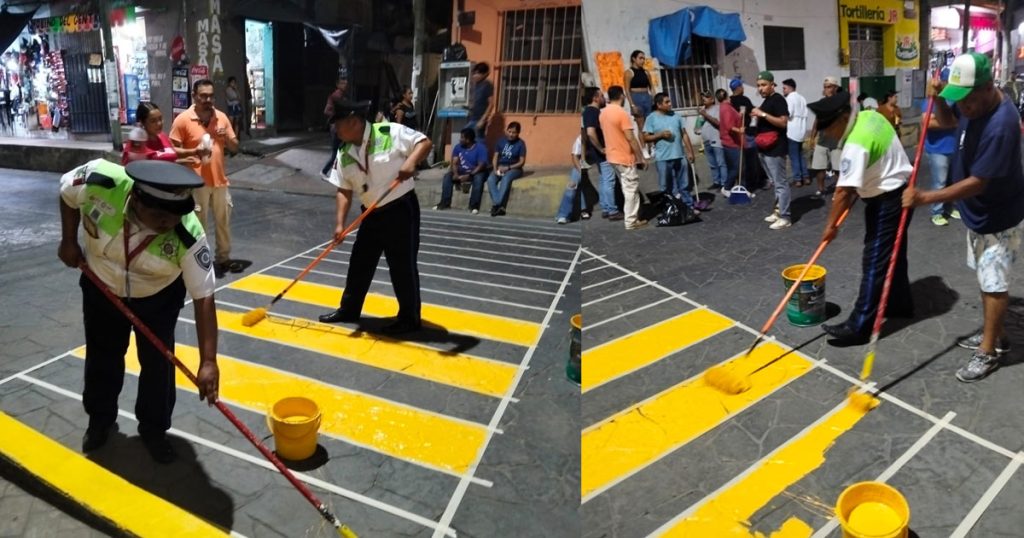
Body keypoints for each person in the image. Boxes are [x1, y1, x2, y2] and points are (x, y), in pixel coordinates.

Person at [58, 159, 220, 463]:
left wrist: (208, 361)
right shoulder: (100, 182)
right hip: (102, 286)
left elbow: (204, 298)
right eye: (158, 215)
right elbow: (67, 194)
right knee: (102, 356)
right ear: (135, 198)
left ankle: (154, 429)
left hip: (157, 296)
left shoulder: (188, 234)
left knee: (158, 365)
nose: (166, 224)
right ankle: (100, 420)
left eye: (174, 216)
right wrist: (68, 240)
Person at [902, 52, 1024, 382]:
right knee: (986, 282)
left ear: (987, 88)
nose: (964, 106)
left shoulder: (1002, 124)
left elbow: (978, 183)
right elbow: (952, 120)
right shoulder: (973, 102)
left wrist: (927, 197)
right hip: (978, 213)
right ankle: (994, 334)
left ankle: (989, 352)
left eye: (967, 100)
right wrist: (940, 97)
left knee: (995, 285)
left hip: (997, 217)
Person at [318, 98, 433, 335]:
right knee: (360, 263)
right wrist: (340, 224)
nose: (334, 129)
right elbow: (344, 189)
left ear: (353, 121)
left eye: (337, 123)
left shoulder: (388, 132)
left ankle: (409, 319)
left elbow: (424, 142)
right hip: (370, 214)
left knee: (402, 266)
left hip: (400, 209)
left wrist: (411, 161)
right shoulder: (344, 152)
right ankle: (349, 309)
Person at [819, 102, 915, 345]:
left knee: (874, 260)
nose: (828, 135)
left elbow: (843, 192)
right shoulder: (870, 116)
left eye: (829, 129)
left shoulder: (855, 144)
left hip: (886, 201)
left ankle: (859, 326)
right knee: (895, 255)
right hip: (902, 190)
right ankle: (899, 304)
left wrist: (831, 227)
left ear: (842, 119)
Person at [169, 78, 240, 278]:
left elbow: (235, 147)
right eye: (203, 96)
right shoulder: (183, 120)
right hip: (195, 182)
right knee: (197, 224)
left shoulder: (222, 118)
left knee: (223, 222)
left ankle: (223, 258)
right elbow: (171, 150)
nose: (208, 99)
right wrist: (192, 152)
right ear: (194, 96)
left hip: (219, 181)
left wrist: (226, 135)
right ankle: (199, 260)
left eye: (210, 96)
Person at [600, 86, 648, 230]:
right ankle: (631, 221)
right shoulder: (621, 113)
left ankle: (632, 218)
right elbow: (631, 137)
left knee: (626, 186)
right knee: (631, 189)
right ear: (621, 96)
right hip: (624, 156)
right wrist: (641, 157)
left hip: (612, 155)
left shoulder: (603, 113)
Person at [642, 92, 698, 211]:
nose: (670, 104)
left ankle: (688, 206)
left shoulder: (676, 116)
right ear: (659, 105)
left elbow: (684, 134)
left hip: (679, 155)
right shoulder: (651, 118)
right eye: (666, 102)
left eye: (669, 101)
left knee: (684, 184)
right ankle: (669, 208)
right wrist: (660, 135)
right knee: (665, 186)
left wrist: (690, 152)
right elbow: (645, 137)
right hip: (662, 158)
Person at [752, 71, 791, 229]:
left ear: (772, 84)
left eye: (763, 85)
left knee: (781, 183)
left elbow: (783, 123)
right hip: (764, 148)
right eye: (758, 86)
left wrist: (762, 114)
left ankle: (786, 216)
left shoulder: (778, 100)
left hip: (776, 148)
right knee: (775, 182)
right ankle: (778, 210)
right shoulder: (767, 101)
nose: (760, 89)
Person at [922, 68, 959, 226]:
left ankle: (950, 207)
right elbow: (927, 123)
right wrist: (952, 122)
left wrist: (946, 121)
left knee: (953, 181)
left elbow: (962, 120)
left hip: (955, 147)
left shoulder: (956, 100)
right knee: (940, 182)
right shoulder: (931, 100)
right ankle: (937, 212)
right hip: (937, 149)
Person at [582, 86, 622, 221]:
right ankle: (612, 210)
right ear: (595, 98)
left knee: (604, 179)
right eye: (601, 96)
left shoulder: (591, 111)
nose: (604, 98)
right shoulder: (592, 112)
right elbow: (590, 133)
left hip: (597, 153)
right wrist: (601, 149)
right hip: (601, 153)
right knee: (609, 180)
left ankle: (606, 208)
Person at [129, 102, 202, 165]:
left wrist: (184, 161)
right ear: (142, 123)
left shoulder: (162, 136)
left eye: (160, 118)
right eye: (153, 121)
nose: (159, 123)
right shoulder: (137, 144)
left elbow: (168, 159)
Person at [435, 127, 488, 213]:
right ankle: (445, 202)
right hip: (461, 171)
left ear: (468, 140)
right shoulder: (458, 147)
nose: (460, 139)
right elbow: (454, 162)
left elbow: (481, 165)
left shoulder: (480, 148)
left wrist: (470, 175)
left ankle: (474, 206)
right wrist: (456, 174)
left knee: (479, 179)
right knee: (447, 176)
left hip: (475, 172)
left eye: (462, 137)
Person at [808, 75, 845, 197]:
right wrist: (812, 137)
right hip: (822, 140)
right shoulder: (822, 103)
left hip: (837, 141)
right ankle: (821, 189)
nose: (826, 89)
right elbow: (817, 121)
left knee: (837, 169)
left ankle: (839, 191)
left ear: (835, 88)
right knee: (819, 167)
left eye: (829, 87)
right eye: (825, 87)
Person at [486, 122, 527, 216]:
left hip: (514, 168)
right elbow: (495, 157)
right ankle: (499, 204)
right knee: (490, 179)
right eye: (509, 131)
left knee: (506, 179)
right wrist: (495, 169)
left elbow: (521, 162)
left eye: (514, 133)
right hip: (500, 166)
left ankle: (496, 204)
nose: (511, 134)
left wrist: (508, 168)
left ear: (518, 133)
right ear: (506, 131)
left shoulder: (521, 144)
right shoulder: (501, 141)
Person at [782, 78, 811, 188]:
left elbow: (788, 113)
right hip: (801, 130)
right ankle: (806, 176)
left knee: (794, 156)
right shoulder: (802, 98)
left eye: (784, 88)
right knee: (800, 155)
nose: (783, 90)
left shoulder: (790, 98)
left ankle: (798, 179)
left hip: (792, 130)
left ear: (790, 88)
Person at [696, 90, 727, 189]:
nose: (703, 99)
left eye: (706, 97)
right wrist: (698, 127)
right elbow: (697, 126)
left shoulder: (717, 109)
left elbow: (718, 123)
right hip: (706, 141)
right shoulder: (702, 110)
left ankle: (724, 183)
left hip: (716, 140)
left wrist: (705, 115)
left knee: (721, 162)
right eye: (703, 97)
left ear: (712, 99)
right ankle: (716, 182)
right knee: (712, 164)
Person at [320, 75, 349, 180]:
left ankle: (337, 173)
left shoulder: (343, 95)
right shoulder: (336, 96)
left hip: (341, 127)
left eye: (346, 83)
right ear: (337, 84)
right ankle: (324, 171)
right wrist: (337, 114)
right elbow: (326, 111)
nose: (345, 85)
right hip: (337, 128)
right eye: (342, 83)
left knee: (342, 151)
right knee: (336, 152)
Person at [556, 135, 590, 224]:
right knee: (572, 186)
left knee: (583, 186)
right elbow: (574, 156)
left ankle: (583, 209)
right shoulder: (579, 139)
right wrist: (580, 170)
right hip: (580, 164)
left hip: (594, 159)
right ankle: (562, 215)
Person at [717, 89, 743, 194]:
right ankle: (727, 187)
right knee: (736, 167)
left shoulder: (725, 107)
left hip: (730, 141)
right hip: (731, 142)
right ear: (727, 96)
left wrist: (740, 114)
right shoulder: (726, 108)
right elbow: (729, 126)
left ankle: (733, 187)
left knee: (734, 167)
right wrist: (739, 130)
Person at [624, 50, 654, 134]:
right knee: (641, 126)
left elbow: (651, 87)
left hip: (647, 97)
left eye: (644, 59)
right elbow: (627, 90)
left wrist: (654, 99)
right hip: (636, 98)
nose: (642, 61)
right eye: (640, 58)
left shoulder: (646, 72)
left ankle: (651, 146)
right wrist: (632, 105)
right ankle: (644, 147)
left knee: (650, 124)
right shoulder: (629, 73)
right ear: (634, 59)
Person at [466, 63, 495, 142]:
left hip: (479, 119)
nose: (475, 76)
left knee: (478, 141)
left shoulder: (487, 85)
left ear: (485, 74)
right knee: (468, 140)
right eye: (474, 73)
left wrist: (483, 119)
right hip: (470, 117)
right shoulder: (474, 85)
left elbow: (491, 103)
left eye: (478, 73)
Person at [225, 76, 243, 140]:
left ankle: (236, 136)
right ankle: (230, 137)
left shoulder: (236, 89)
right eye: (232, 82)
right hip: (231, 107)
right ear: (229, 83)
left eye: (234, 82)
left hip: (237, 106)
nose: (233, 83)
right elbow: (231, 97)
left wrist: (236, 90)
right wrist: (236, 97)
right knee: (231, 122)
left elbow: (239, 98)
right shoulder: (228, 89)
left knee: (237, 122)